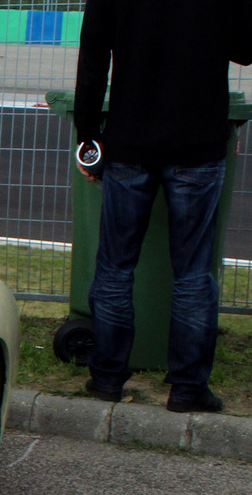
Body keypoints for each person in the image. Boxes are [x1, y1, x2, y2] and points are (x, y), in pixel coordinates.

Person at [74, 0, 252, 413]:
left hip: (130, 140)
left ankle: (106, 378)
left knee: (116, 266)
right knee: (192, 272)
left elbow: (94, 51)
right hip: (198, 142)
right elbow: (245, 48)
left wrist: (88, 132)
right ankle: (188, 387)